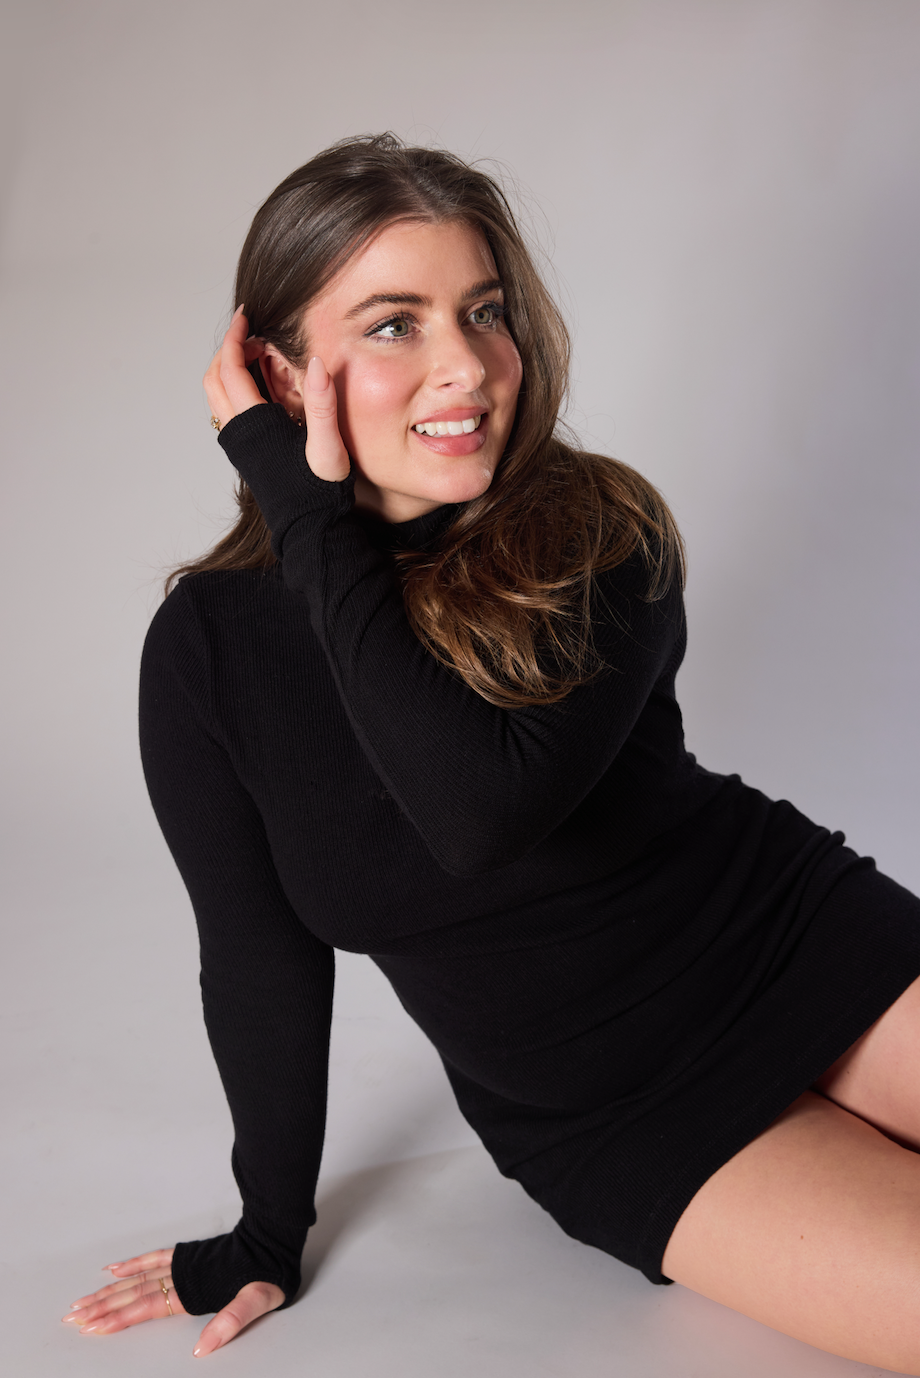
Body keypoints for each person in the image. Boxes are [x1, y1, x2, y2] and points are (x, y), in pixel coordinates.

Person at [63, 134, 920, 1370]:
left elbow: (476, 810)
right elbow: (258, 958)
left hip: (798, 945)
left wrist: (305, 515)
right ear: (276, 375)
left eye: (482, 311)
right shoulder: (208, 648)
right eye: (394, 324)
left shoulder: (596, 531)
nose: (465, 362)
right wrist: (266, 1228)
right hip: (614, 1115)